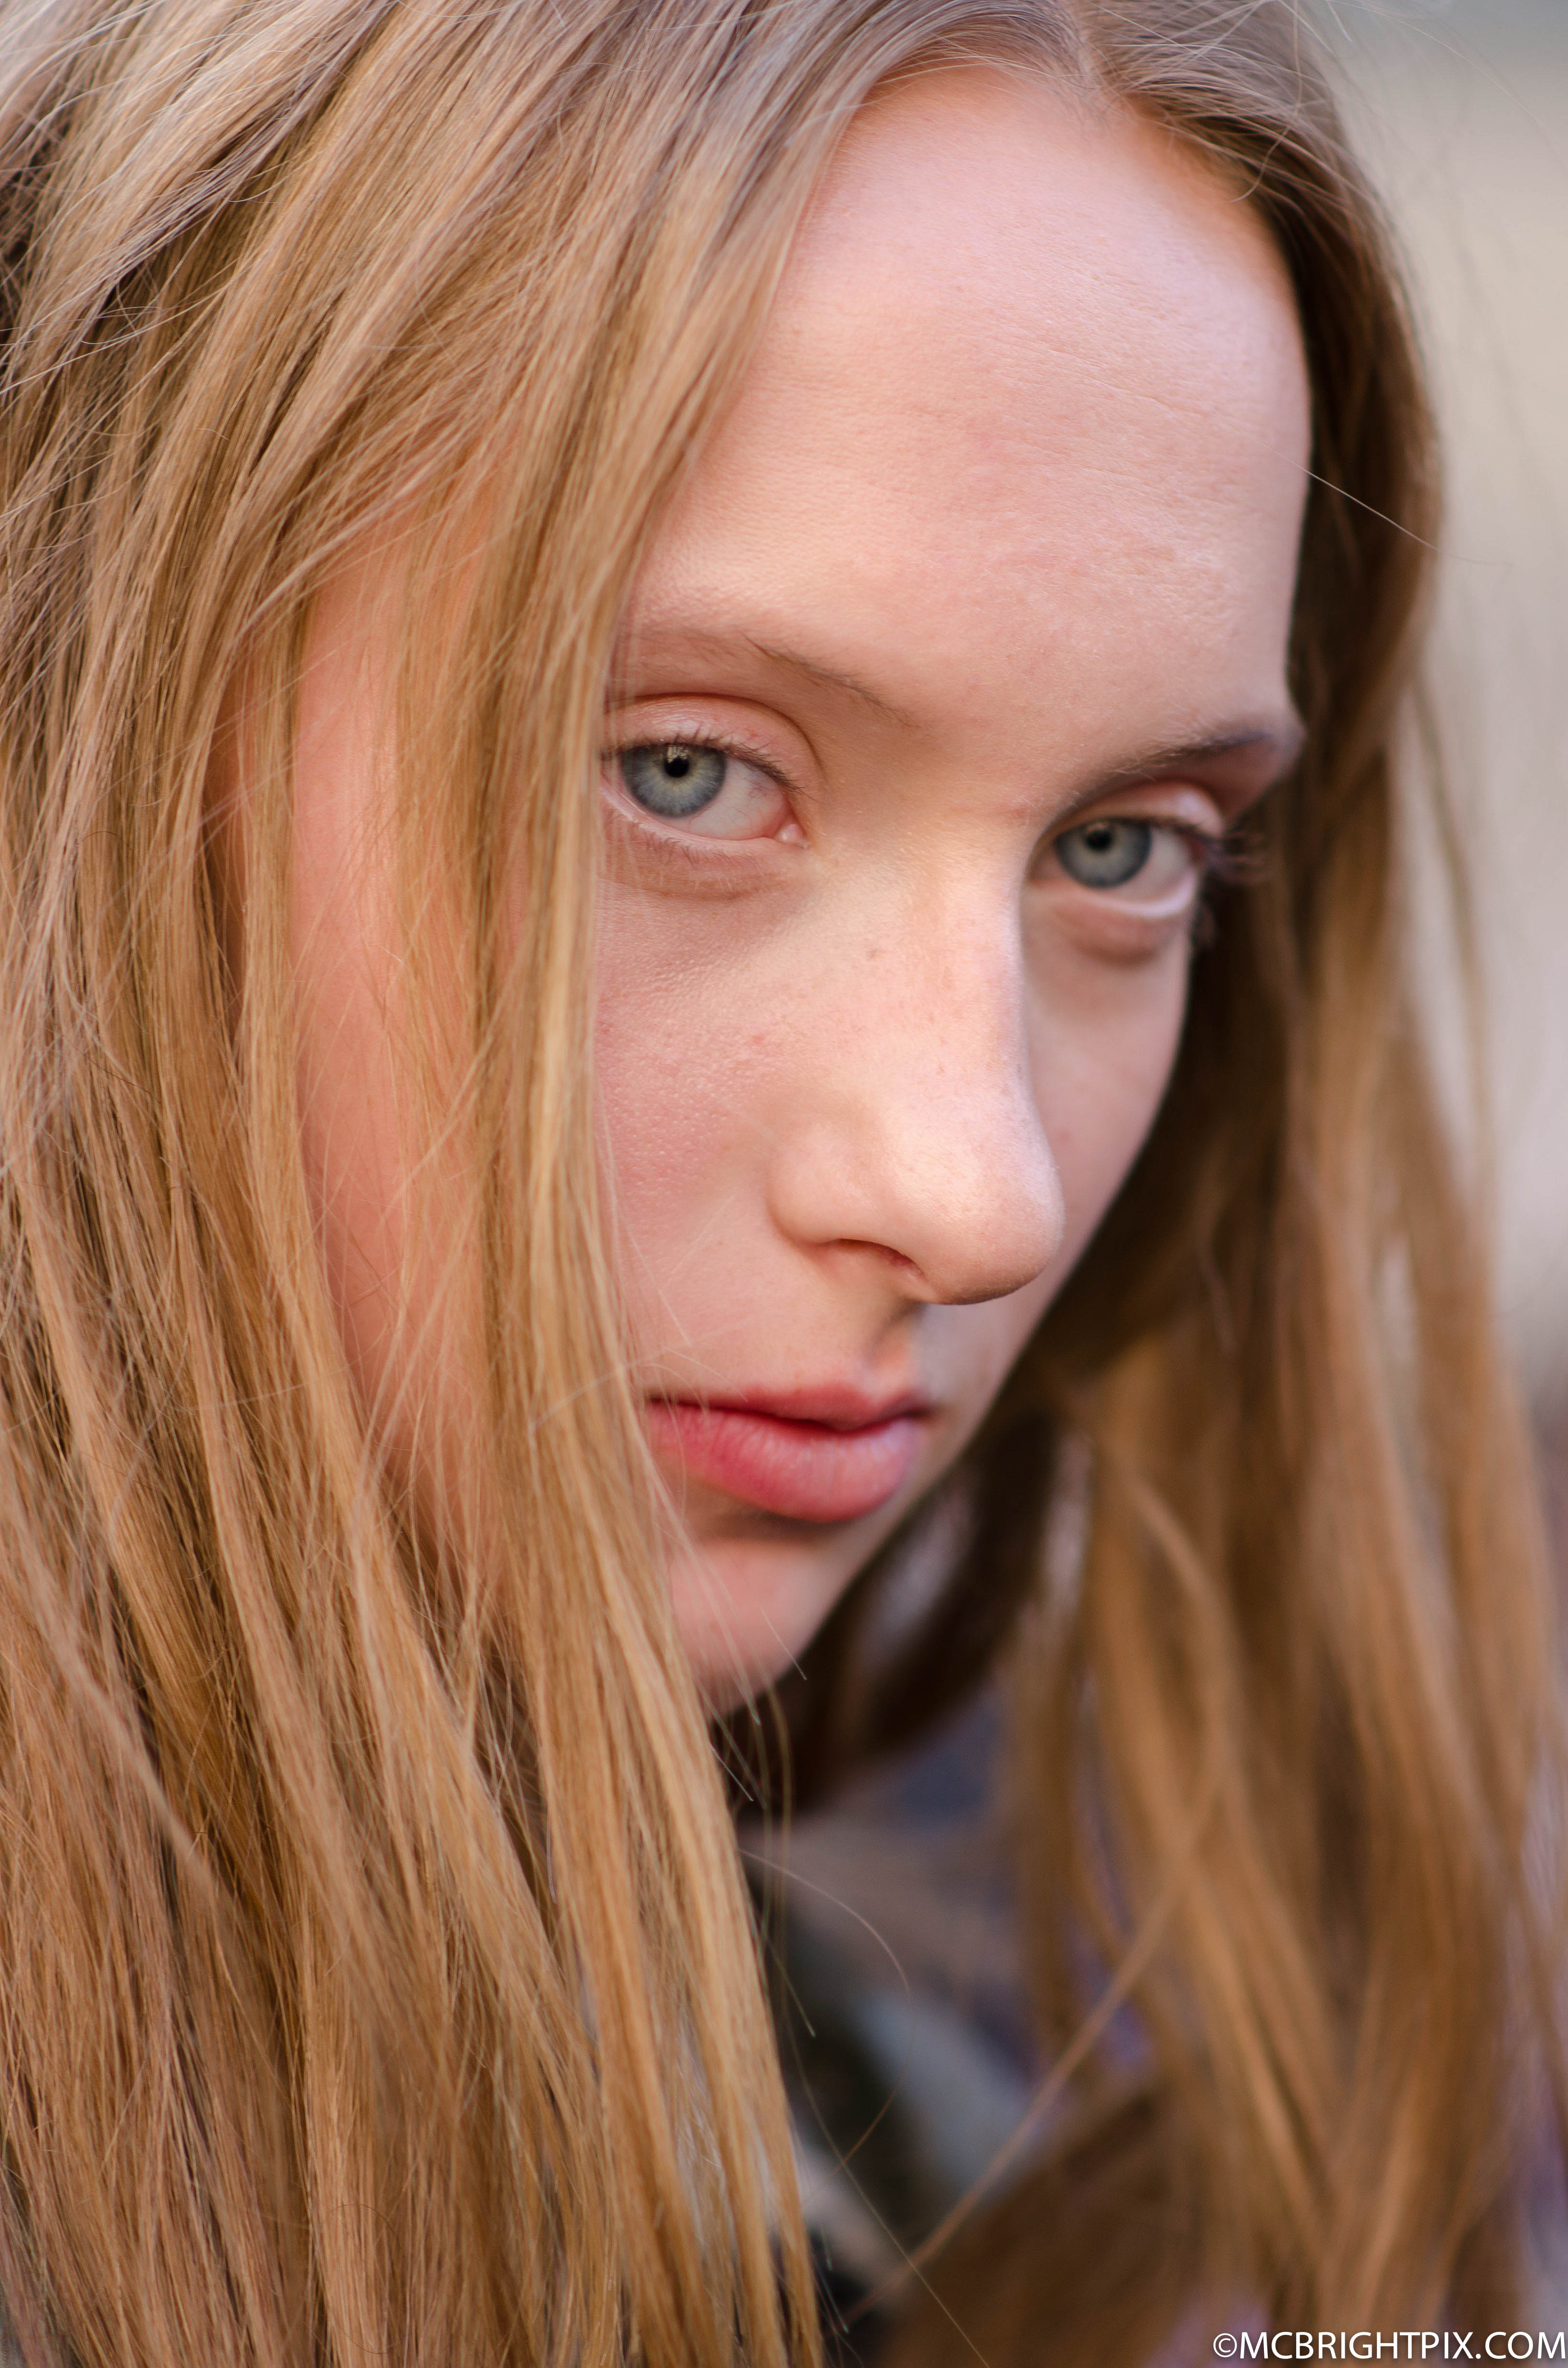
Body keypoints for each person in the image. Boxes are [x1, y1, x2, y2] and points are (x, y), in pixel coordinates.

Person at [0, 0, 1560, 2363]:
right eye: (691, 774)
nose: (980, 1188)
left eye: (1123, 849)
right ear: (82, 710)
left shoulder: (912, 2178)